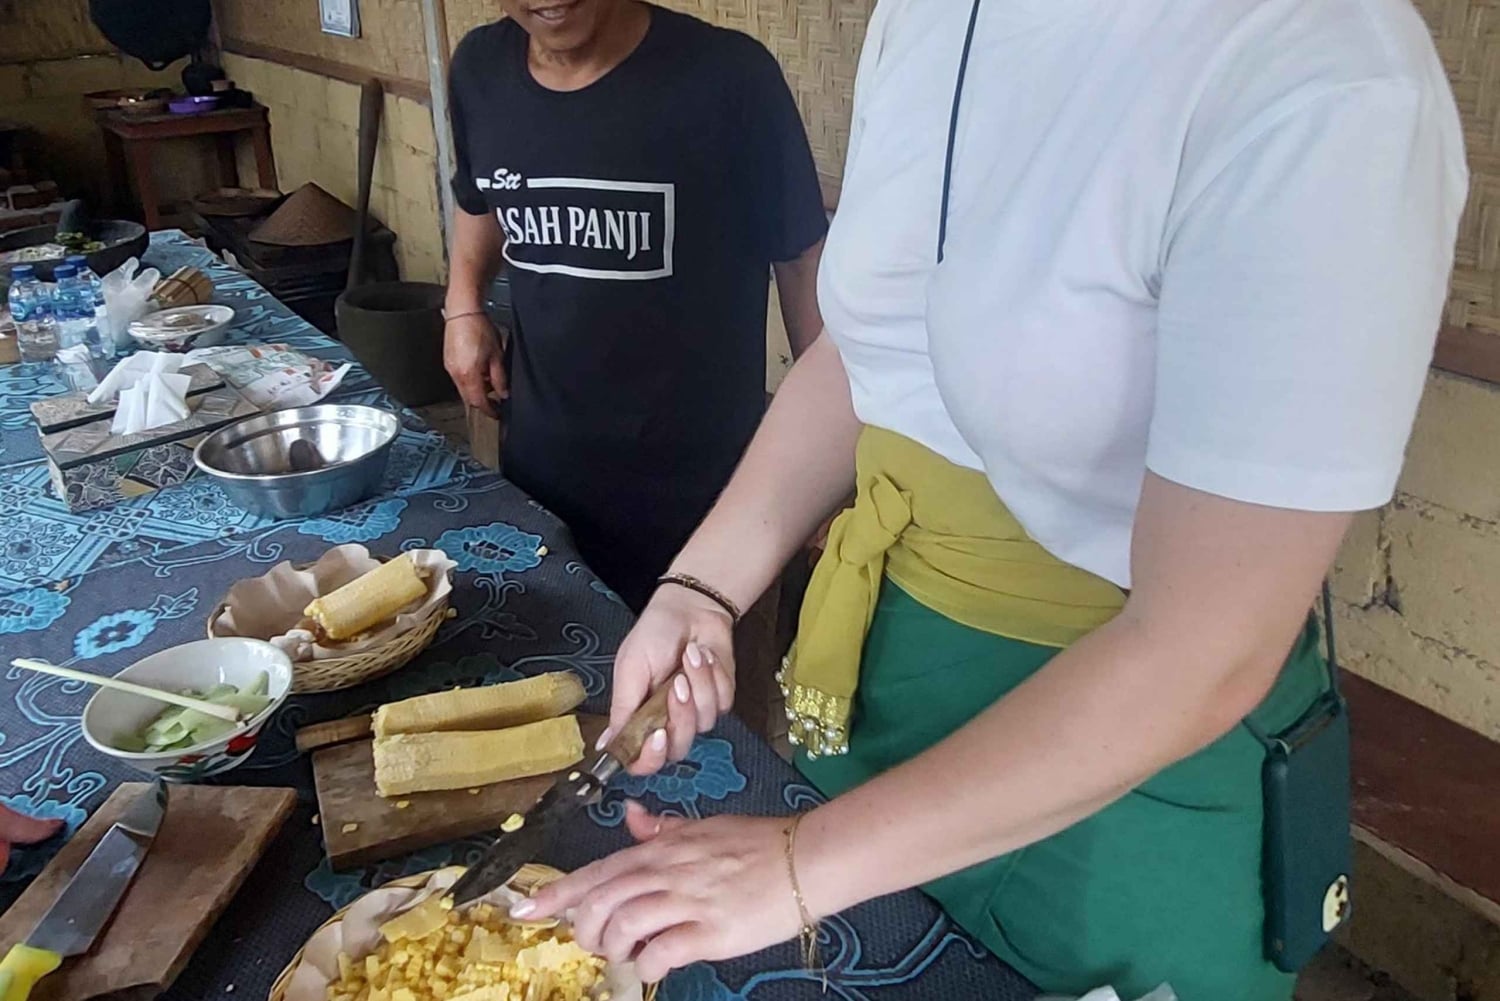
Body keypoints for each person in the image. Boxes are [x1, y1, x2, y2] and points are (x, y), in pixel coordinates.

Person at [517, 0, 1469, 998]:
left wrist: (801, 861)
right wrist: (702, 587)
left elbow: (1207, 646)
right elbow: (873, 346)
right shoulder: (932, 17)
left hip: (1119, 762)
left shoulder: (1322, 72)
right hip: (878, 690)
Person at [443, 0, 827, 611]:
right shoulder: (479, 69)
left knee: (704, 693)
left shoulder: (728, 77)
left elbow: (802, 262)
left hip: (705, 486)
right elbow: (481, 198)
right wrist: (463, 306)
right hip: (543, 462)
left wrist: (823, 456)